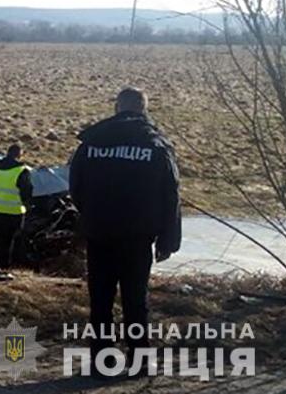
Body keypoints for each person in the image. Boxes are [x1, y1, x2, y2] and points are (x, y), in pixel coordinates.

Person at [69, 87, 181, 375]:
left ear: (117, 107)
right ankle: (139, 361)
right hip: (137, 237)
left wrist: (92, 217)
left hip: (99, 233)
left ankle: (101, 361)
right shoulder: (155, 145)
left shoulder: (91, 143)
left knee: (101, 300)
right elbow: (171, 193)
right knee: (135, 299)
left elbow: (75, 188)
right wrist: (168, 238)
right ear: (143, 109)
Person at [0, 144, 33, 278]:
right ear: (19, 155)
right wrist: (28, 208)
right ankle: (2, 270)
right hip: (12, 213)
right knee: (6, 243)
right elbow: (26, 193)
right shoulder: (22, 171)